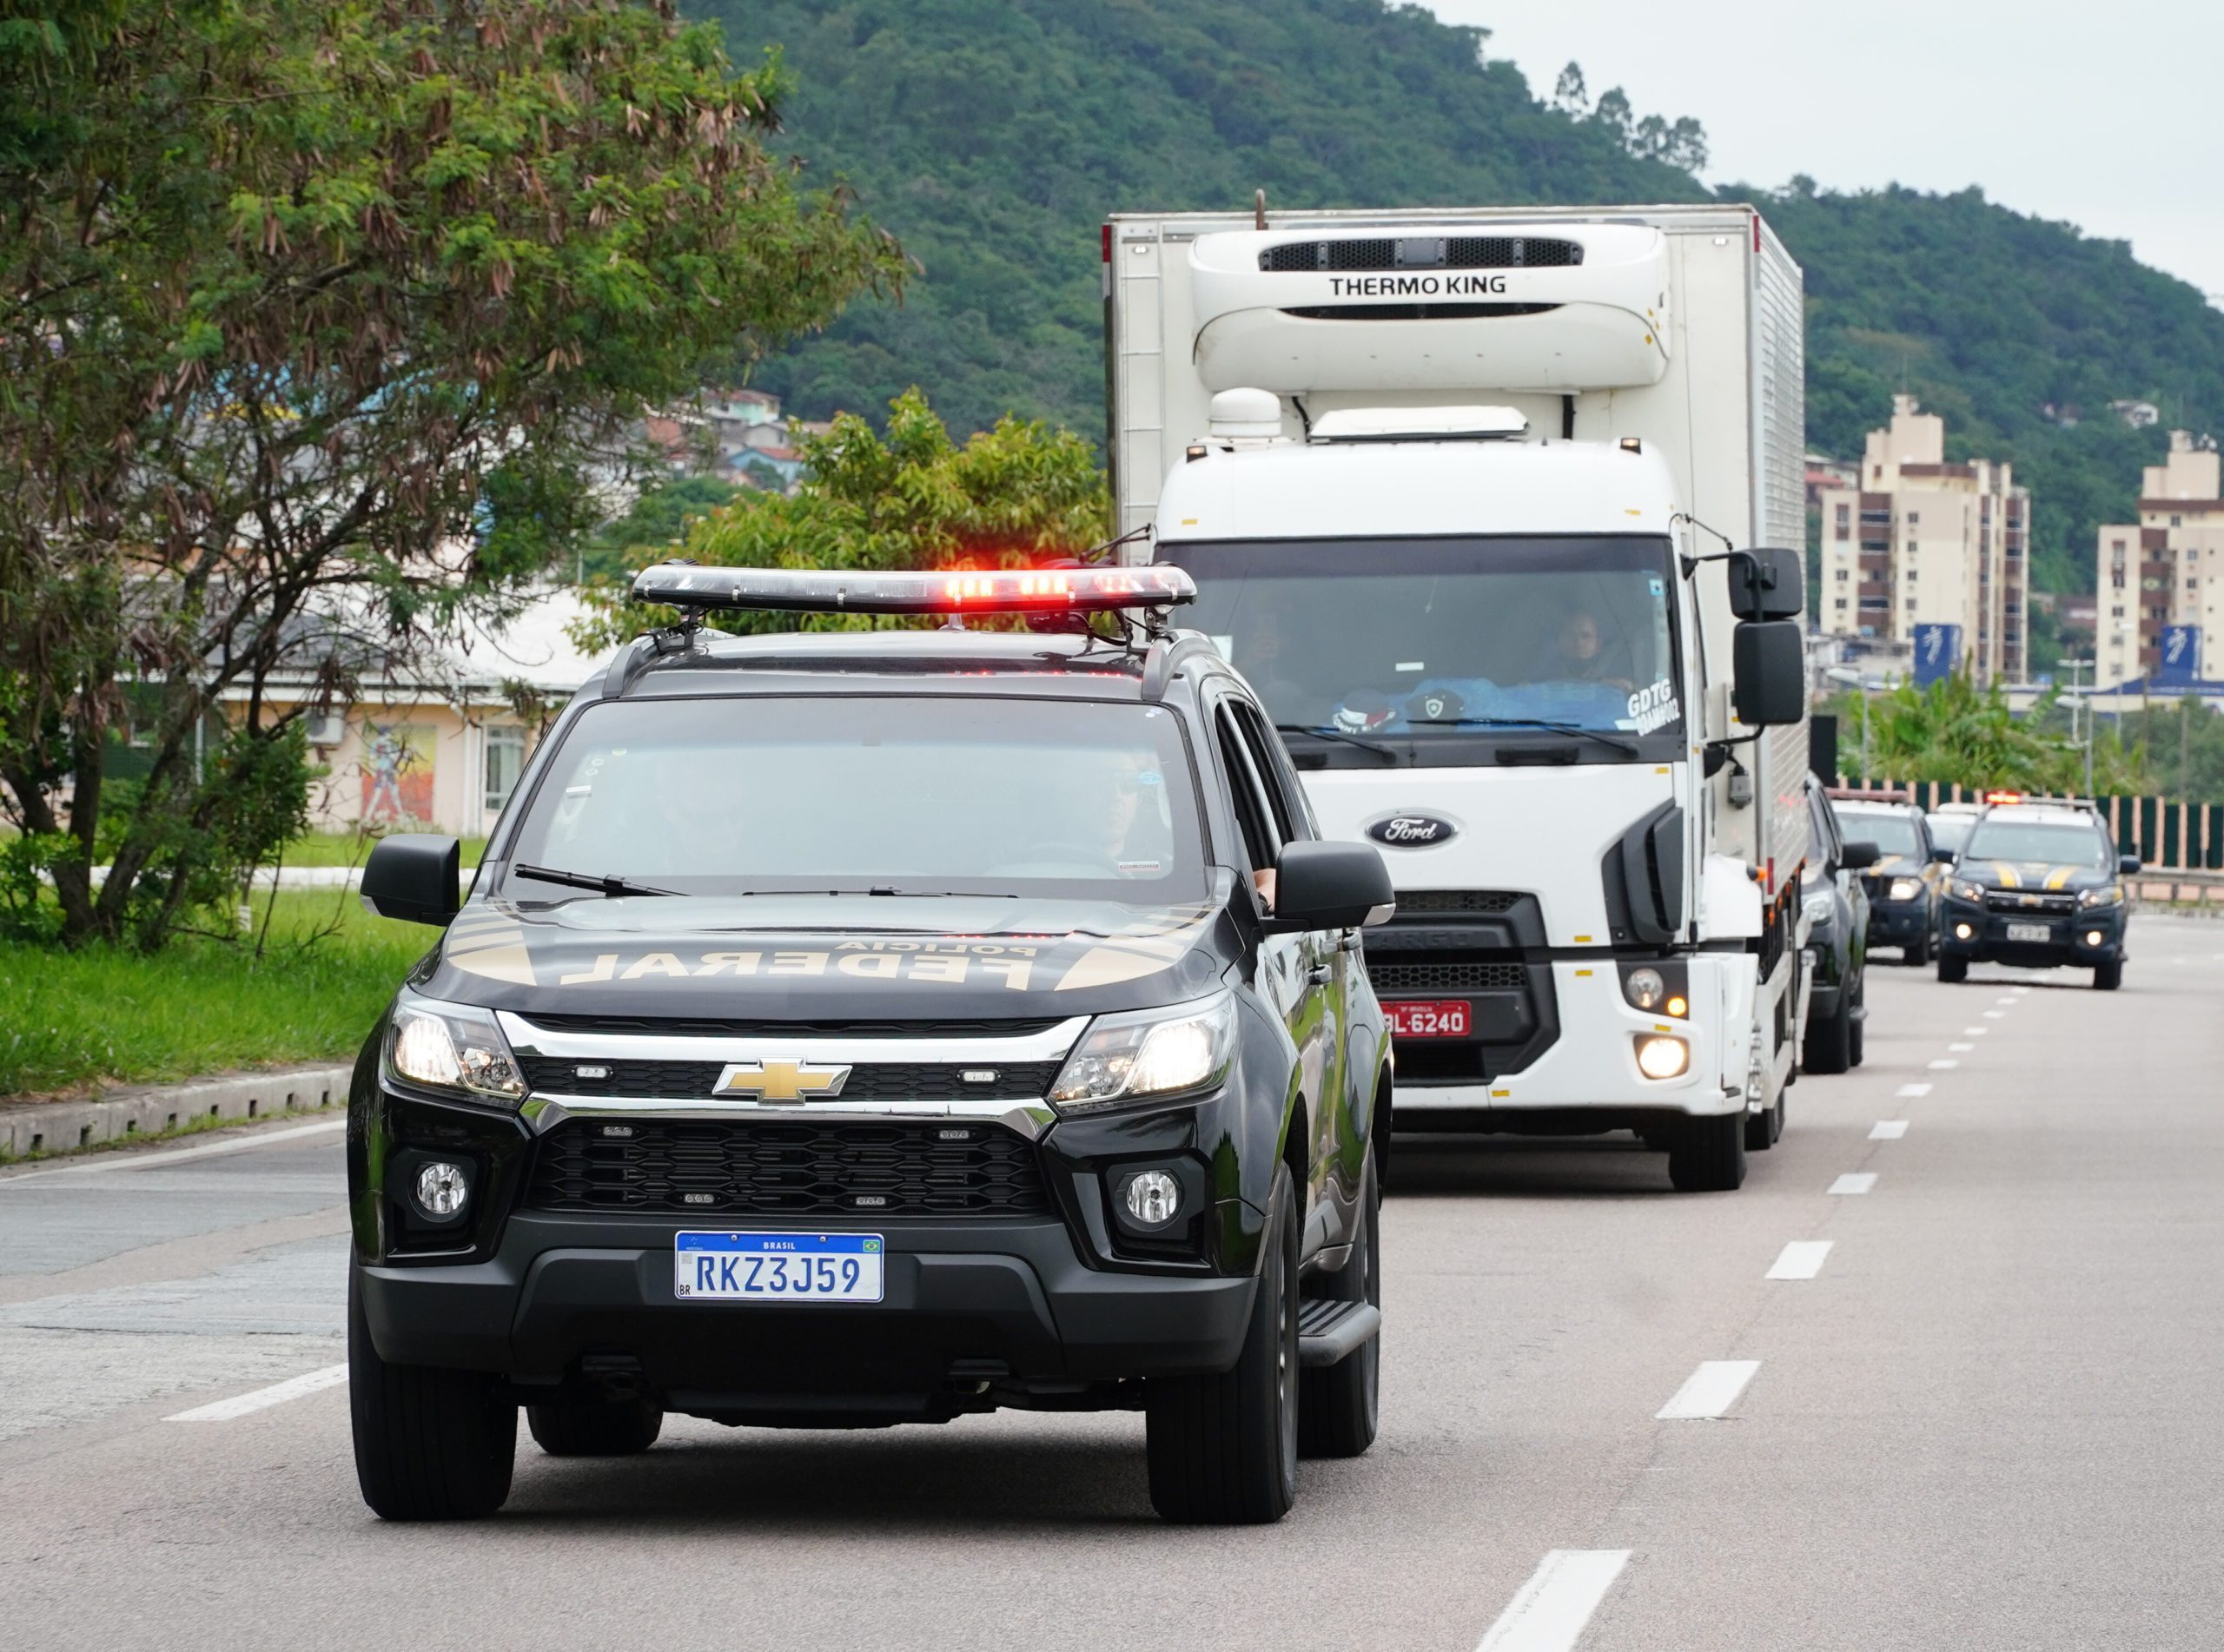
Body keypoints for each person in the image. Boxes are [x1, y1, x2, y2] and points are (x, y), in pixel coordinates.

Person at [1547, 608, 1636, 691]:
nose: (1578, 642)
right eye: (1570, 635)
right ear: (1559, 641)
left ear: (1598, 644)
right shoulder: (1544, 682)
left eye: (1586, 636)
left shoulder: (1617, 683)